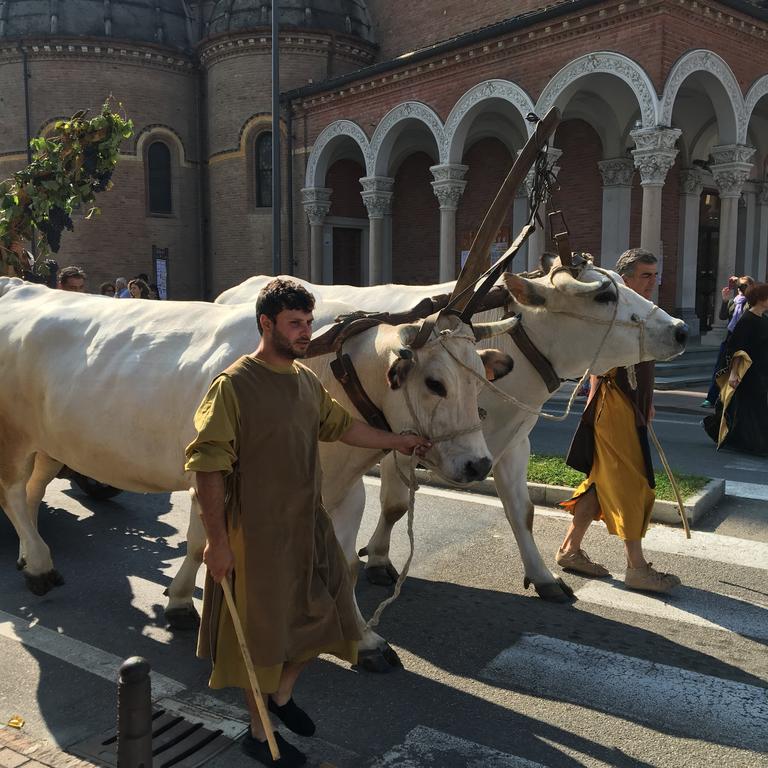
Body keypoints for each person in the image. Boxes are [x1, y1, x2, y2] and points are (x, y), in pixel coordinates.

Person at [186, 278, 430, 768]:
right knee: (262, 640)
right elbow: (206, 468)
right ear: (266, 324)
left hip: (308, 523)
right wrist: (216, 542)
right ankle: (261, 736)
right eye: (295, 324)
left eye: (308, 323)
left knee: (335, 616)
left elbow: (343, 427)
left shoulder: (305, 381)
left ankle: (280, 697)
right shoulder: (232, 386)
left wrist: (396, 441)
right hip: (253, 535)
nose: (305, 332)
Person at [556, 248, 680, 594]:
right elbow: (598, 359)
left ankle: (570, 549)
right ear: (625, 278)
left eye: (655, 275)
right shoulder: (612, 309)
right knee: (632, 482)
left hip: (627, 404)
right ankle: (637, 568)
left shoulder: (643, 310)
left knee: (600, 481)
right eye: (645, 275)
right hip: (615, 404)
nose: (652, 282)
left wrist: (647, 402)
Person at [703, 282, 768, 455]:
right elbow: (736, 348)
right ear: (761, 299)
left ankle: (732, 435)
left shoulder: (764, 319)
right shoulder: (747, 320)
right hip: (749, 372)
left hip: (762, 370)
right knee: (754, 408)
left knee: (749, 408)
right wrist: (733, 374)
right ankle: (755, 444)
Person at [701, 275, 754, 408]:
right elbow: (722, 316)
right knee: (719, 368)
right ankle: (711, 398)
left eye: (744, 286)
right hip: (730, 339)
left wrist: (744, 287)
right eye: (740, 287)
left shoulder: (751, 302)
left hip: (745, 341)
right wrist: (725, 301)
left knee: (744, 371)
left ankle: (739, 400)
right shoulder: (733, 302)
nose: (741, 289)